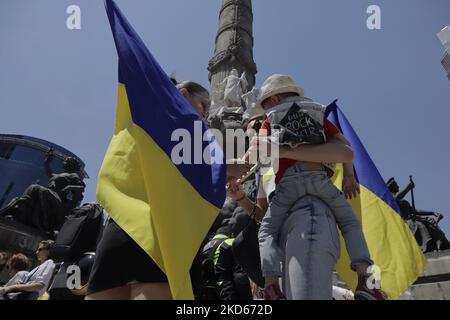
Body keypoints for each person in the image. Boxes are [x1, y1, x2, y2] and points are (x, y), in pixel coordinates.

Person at [228, 74, 386, 300]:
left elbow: (247, 160)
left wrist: (212, 166)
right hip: (318, 180)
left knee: (266, 232)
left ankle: (270, 285)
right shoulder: (317, 113)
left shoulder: (269, 121)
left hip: (293, 195)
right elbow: (346, 149)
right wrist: (349, 177)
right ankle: (366, 279)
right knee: (351, 223)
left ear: (271, 101)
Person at [85, 80, 212, 300]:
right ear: (183, 93)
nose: (207, 115)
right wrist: (228, 166)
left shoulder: (137, 116)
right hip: (160, 227)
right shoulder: (183, 126)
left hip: (120, 225)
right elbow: (188, 168)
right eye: (204, 106)